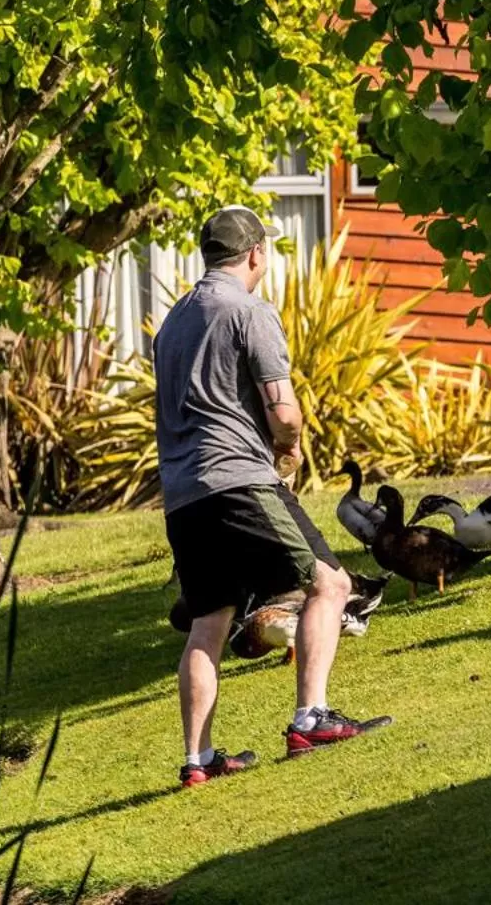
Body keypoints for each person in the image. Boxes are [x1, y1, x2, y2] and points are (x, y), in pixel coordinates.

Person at [155, 206, 390, 788]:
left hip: (183, 495)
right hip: (238, 480)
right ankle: (311, 718)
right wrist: (289, 449)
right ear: (256, 253)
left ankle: (198, 759)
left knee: (208, 620)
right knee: (330, 584)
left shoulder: (172, 324)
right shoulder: (249, 311)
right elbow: (282, 410)